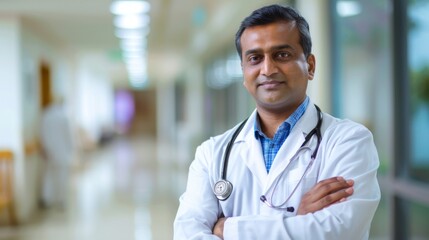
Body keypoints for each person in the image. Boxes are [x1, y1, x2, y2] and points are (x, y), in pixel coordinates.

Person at [174, 4, 380, 239]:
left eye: (282, 55)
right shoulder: (212, 154)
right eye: (255, 58)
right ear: (244, 71)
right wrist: (298, 222)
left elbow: (339, 231)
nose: (268, 69)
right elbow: (187, 234)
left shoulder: (348, 141)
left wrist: (227, 229)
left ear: (310, 66)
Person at [40, 97, 76, 210]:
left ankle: (46, 198)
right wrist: (71, 149)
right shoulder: (63, 116)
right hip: (62, 151)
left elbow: (42, 134)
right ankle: (61, 200)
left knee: (49, 175)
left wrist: (45, 149)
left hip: (49, 151)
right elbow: (68, 136)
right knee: (62, 176)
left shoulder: (46, 115)